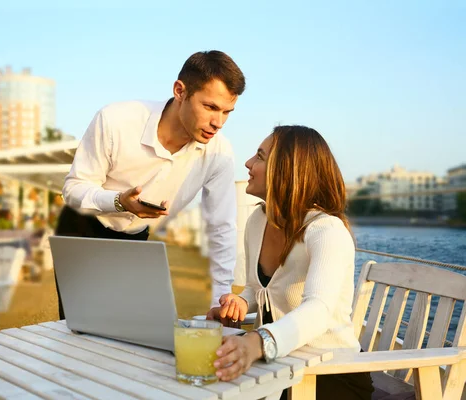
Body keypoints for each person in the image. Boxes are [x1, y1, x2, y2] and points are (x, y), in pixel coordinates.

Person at [57, 50, 246, 319]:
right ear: (180, 91)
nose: (218, 122)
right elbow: (74, 188)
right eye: (210, 107)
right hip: (82, 227)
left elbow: (221, 226)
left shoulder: (219, 153)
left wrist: (220, 298)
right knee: (81, 328)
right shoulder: (116, 120)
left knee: (132, 329)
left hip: (136, 237)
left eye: (227, 112)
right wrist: (118, 201)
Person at [207, 126, 374, 399]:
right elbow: (256, 288)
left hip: (331, 375)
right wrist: (240, 304)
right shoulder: (258, 221)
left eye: (260, 157)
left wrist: (257, 342)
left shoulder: (326, 231)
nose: (248, 163)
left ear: (287, 170)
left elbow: (318, 309)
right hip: (281, 367)